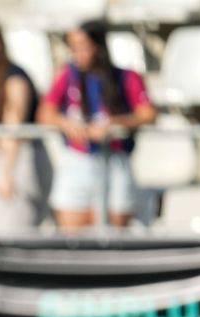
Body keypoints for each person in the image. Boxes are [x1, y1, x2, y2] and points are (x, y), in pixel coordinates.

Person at [36, 19, 156, 231]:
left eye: (82, 47)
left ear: (98, 46)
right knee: (73, 237)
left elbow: (148, 113)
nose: (77, 53)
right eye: (73, 47)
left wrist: (115, 123)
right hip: (78, 161)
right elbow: (45, 113)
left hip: (115, 161)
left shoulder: (125, 77)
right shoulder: (67, 75)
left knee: (115, 233)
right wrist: (66, 124)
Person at [0, 16, 51, 233]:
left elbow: (14, 130)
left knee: (11, 231)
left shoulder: (15, 79)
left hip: (21, 161)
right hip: (4, 161)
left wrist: (7, 175)